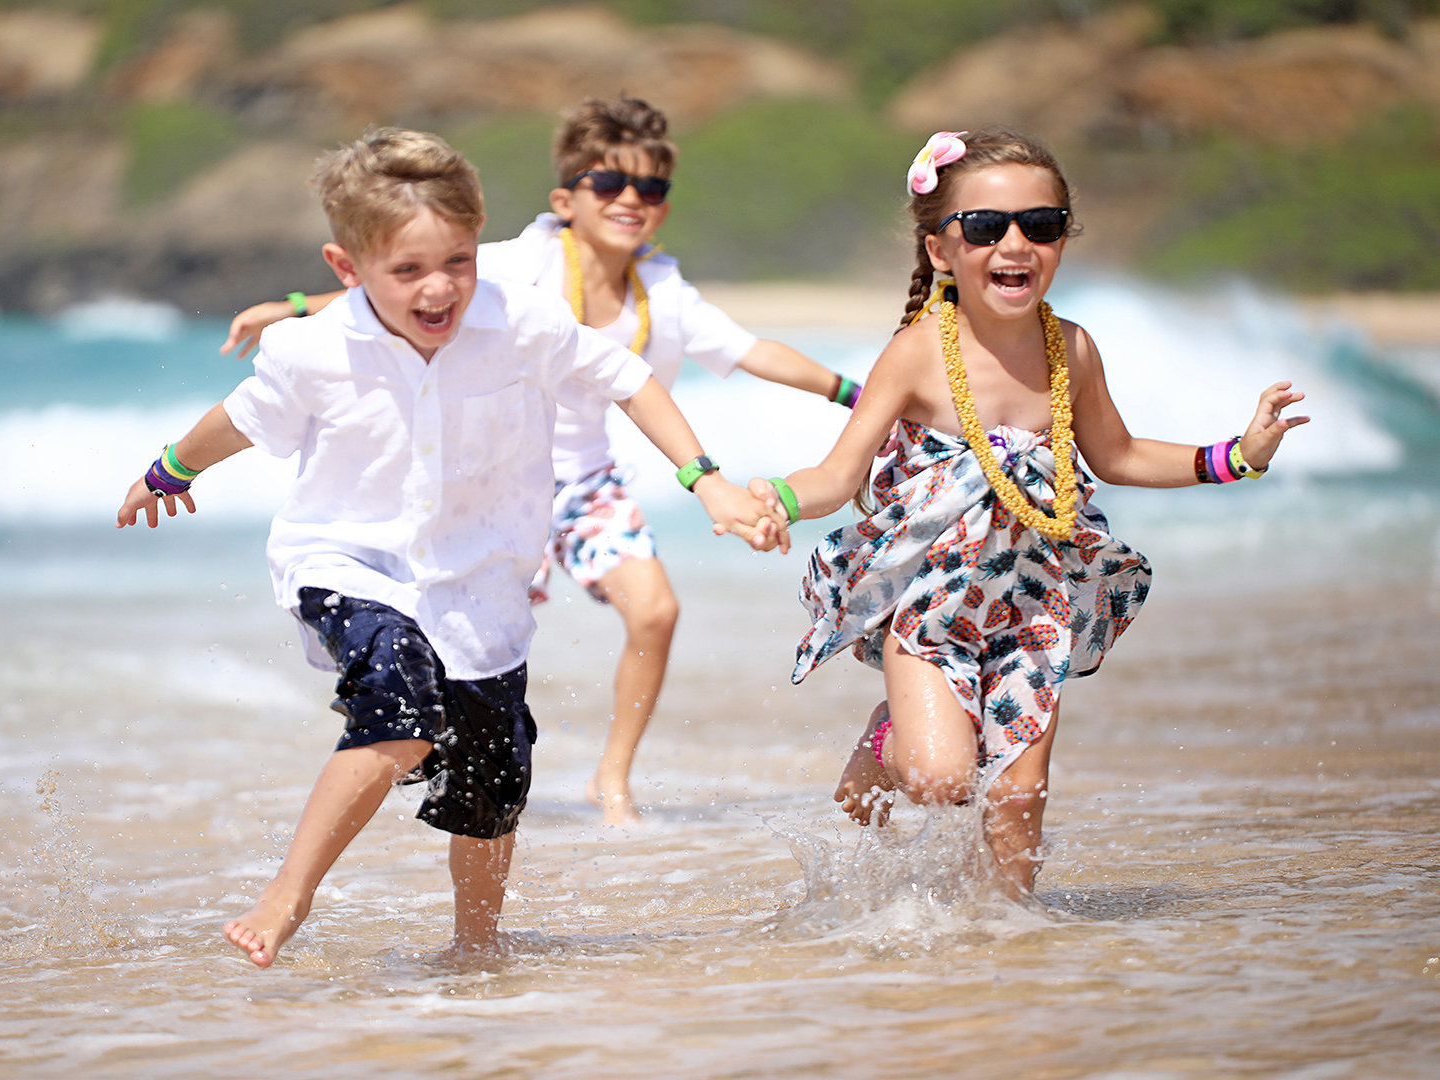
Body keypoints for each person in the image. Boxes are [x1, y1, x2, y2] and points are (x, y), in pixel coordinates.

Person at [116, 127, 786, 967]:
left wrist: (707, 480)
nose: (440, 289)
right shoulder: (313, 350)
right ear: (346, 268)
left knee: (493, 792)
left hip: (481, 585)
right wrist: (170, 469)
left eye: (459, 263)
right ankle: (289, 894)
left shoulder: (523, 323)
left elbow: (631, 380)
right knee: (398, 701)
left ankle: (477, 946)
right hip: (346, 562)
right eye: (408, 272)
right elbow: (241, 421)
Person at [221, 96, 851, 826]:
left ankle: (611, 779)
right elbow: (405, 275)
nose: (630, 201)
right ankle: (399, 731)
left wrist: (860, 392)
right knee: (443, 647)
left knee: (656, 610)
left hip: (586, 486)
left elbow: (754, 352)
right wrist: (298, 304)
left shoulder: (666, 291)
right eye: (609, 184)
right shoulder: (525, 261)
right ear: (566, 198)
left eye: (650, 189)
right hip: (487, 484)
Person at [749, 128, 1308, 899]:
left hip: (1030, 603)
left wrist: (1237, 455)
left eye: (1041, 225)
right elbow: (838, 475)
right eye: (986, 227)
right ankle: (887, 740)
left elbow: (1117, 456)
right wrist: (773, 500)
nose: (1015, 243)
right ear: (941, 248)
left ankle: (1011, 952)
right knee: (940, 779)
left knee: (1016, 799)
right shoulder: (917, 352)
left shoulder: (1071, 350)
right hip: (932, 606)